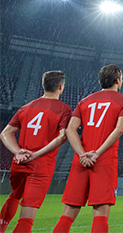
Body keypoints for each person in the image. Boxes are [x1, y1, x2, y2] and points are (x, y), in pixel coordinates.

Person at [53, 64, 123, 233]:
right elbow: (118, 130)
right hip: (104, 161)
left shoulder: (85, 101)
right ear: (118, 81)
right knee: (101, 212)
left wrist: (82, 154)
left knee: (68, 213)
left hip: (81, 161)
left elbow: (70, 129)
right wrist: (97, 153)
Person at [0, 71, 72, 233]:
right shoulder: (64, 109)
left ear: (43, 85)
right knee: (27, 214)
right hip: (40, 166)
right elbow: (62, 137)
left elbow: (5, 133)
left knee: (14, 196)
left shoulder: (26, 107)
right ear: (61, 87)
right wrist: (37, 154)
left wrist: (18, 152)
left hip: (18, 164)